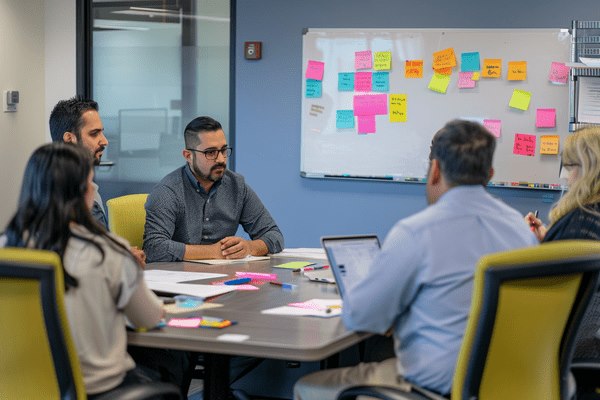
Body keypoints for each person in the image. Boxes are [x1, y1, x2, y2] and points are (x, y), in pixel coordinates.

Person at [294, 120, 539, 399]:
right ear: (490, 174)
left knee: (308, 386)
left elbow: (359, 316)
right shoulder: (520, 229)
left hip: (434, 386)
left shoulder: (416, 233)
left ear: (435, 170)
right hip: (507, 381)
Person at [2, 143, 164, 398]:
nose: (94, 189)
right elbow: (149, 318)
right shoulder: (108, 251)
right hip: (100, 389)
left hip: (17, 389)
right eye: (91, 182)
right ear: (81, 192)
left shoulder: (6, 250)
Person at [144, 115, 284, 262]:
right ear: (188, 155)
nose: (221, 159)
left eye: (223, 150)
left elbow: (274, 235)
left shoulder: (237, 185)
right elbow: (154, 248)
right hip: (179, 278)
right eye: (210, 153)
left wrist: (249, 247)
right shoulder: (167, 191)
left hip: (224, 277)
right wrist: (213, 251)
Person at [525, 126, 600, 398]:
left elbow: (546, 289)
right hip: (589, 338)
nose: (567, 177)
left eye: (570, 167)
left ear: (587, 168)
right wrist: (549, 239)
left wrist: (529, 245)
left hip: (564, 343)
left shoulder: (581, 218)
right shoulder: (591, 218)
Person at [49, 97, 146, 267]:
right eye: (94, 134)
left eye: (102, 132)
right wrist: (121, 256)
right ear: (69, 138)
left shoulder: (86, 186)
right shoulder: (67, 194)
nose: (105, 141)